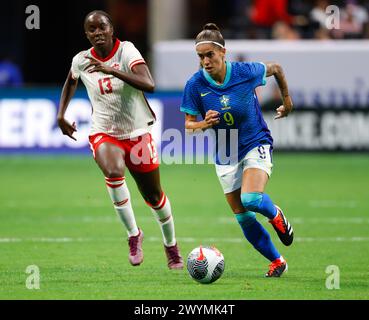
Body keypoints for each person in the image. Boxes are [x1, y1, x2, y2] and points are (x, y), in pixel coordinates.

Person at [57, 10, 183, 269]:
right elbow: (71, 80)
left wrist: (111, 71)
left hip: (138, 133)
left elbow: (149, 84)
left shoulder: (127, 51)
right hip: (104, 131)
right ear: (87, 35)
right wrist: (61, 114)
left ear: (111, 28)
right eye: (92, 30)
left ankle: (171, 246)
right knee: (113, 171)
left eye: (101, 27)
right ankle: (134, 235)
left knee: (154, 196)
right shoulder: (81, 60)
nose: (97, 33)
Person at [180, 23, 294, 277]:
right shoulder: (195, 85)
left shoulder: (245, 72)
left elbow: (276, 69)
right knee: (243, 217)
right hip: (226, 151)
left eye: (210, 55)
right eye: (201, 57)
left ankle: (276, 214)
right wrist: (203, 123)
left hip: (255, 140)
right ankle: (277, 261)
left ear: (223, 52)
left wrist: (287, 101)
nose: (205, 61)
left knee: (251, 199)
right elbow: (188, 126)